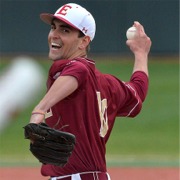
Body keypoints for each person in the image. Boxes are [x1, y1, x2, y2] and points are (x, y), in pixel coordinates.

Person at [29, 3, 152, 180]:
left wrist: (39, 110)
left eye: (64, 31)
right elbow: (137, 92)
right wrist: (141, 53)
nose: (54, 35)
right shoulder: (109, 84)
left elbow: (77, 71)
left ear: (84, 41)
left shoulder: (75, 68)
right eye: (53, 27)